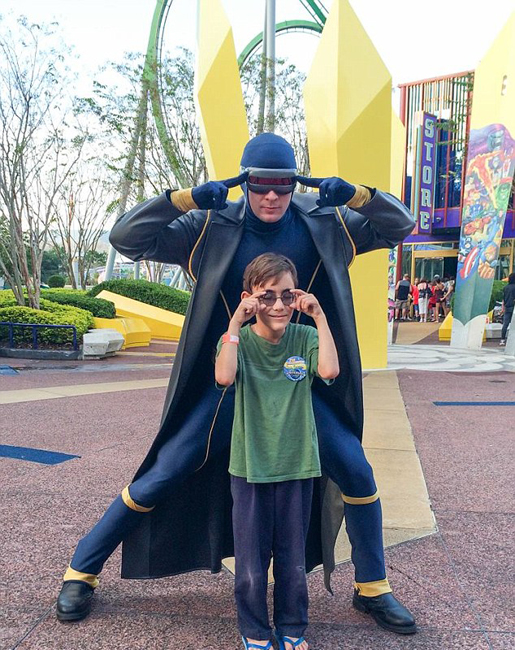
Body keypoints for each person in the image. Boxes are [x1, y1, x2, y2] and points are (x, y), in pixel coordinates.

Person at [56, 132, 417, 635]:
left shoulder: (327, 220)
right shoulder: (211, 224)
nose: (271, 196)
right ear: (244, 183)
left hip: (298, 382)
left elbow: (401, 224)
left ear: (296, 183)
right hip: (232, 381)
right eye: (260, 185)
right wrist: (184, 199)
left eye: (282, 185)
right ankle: (82, 570)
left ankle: (373, 586)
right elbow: (126, 238)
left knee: (355, 470)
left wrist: (357, 195)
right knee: (164, 471)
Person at [216, 253, 339, 650]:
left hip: (297, 464)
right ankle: (254, 630)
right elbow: (224, 376)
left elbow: (329, 371)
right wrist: (235, 324)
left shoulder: (303, 337)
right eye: (267, 296)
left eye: (287, 295)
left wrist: (319, 316)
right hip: (250, 467)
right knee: (251, 563)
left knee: (293, 561)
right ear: (249, 298)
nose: (279, 305)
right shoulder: (237, 340)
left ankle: (292, 626)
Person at [500, 272, 515, 346]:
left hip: (507, 307)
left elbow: (503, 299)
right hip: (513, 307)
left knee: (505, 324)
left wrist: (502, 308)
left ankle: (502, 340)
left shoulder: (505, 288)